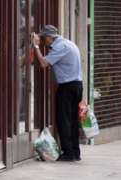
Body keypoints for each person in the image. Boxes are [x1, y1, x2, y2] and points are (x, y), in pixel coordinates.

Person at [31, 25, 83, 162]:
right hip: (76, 85)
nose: (43, 41)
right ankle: (75, 152)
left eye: (43, 38)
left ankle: (68, 153)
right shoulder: (68, 43)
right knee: (72, 121)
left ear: (49, 37)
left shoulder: (61, 47)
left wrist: (36, 47)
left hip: (67, 87)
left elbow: (43, 63)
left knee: (64, 121)